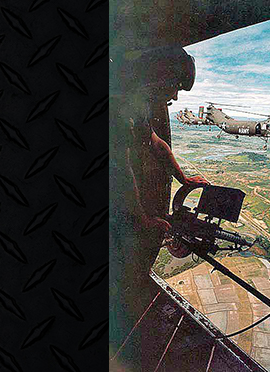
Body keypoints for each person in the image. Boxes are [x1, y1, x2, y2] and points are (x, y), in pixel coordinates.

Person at [109, 45, 207, 369]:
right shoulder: (120, 103)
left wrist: (183, 179)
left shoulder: (138, 103)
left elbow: (156, 143)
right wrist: (144, 219)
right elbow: (119, 169)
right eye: (176, 87)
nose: (176, 98)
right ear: (161, 75)